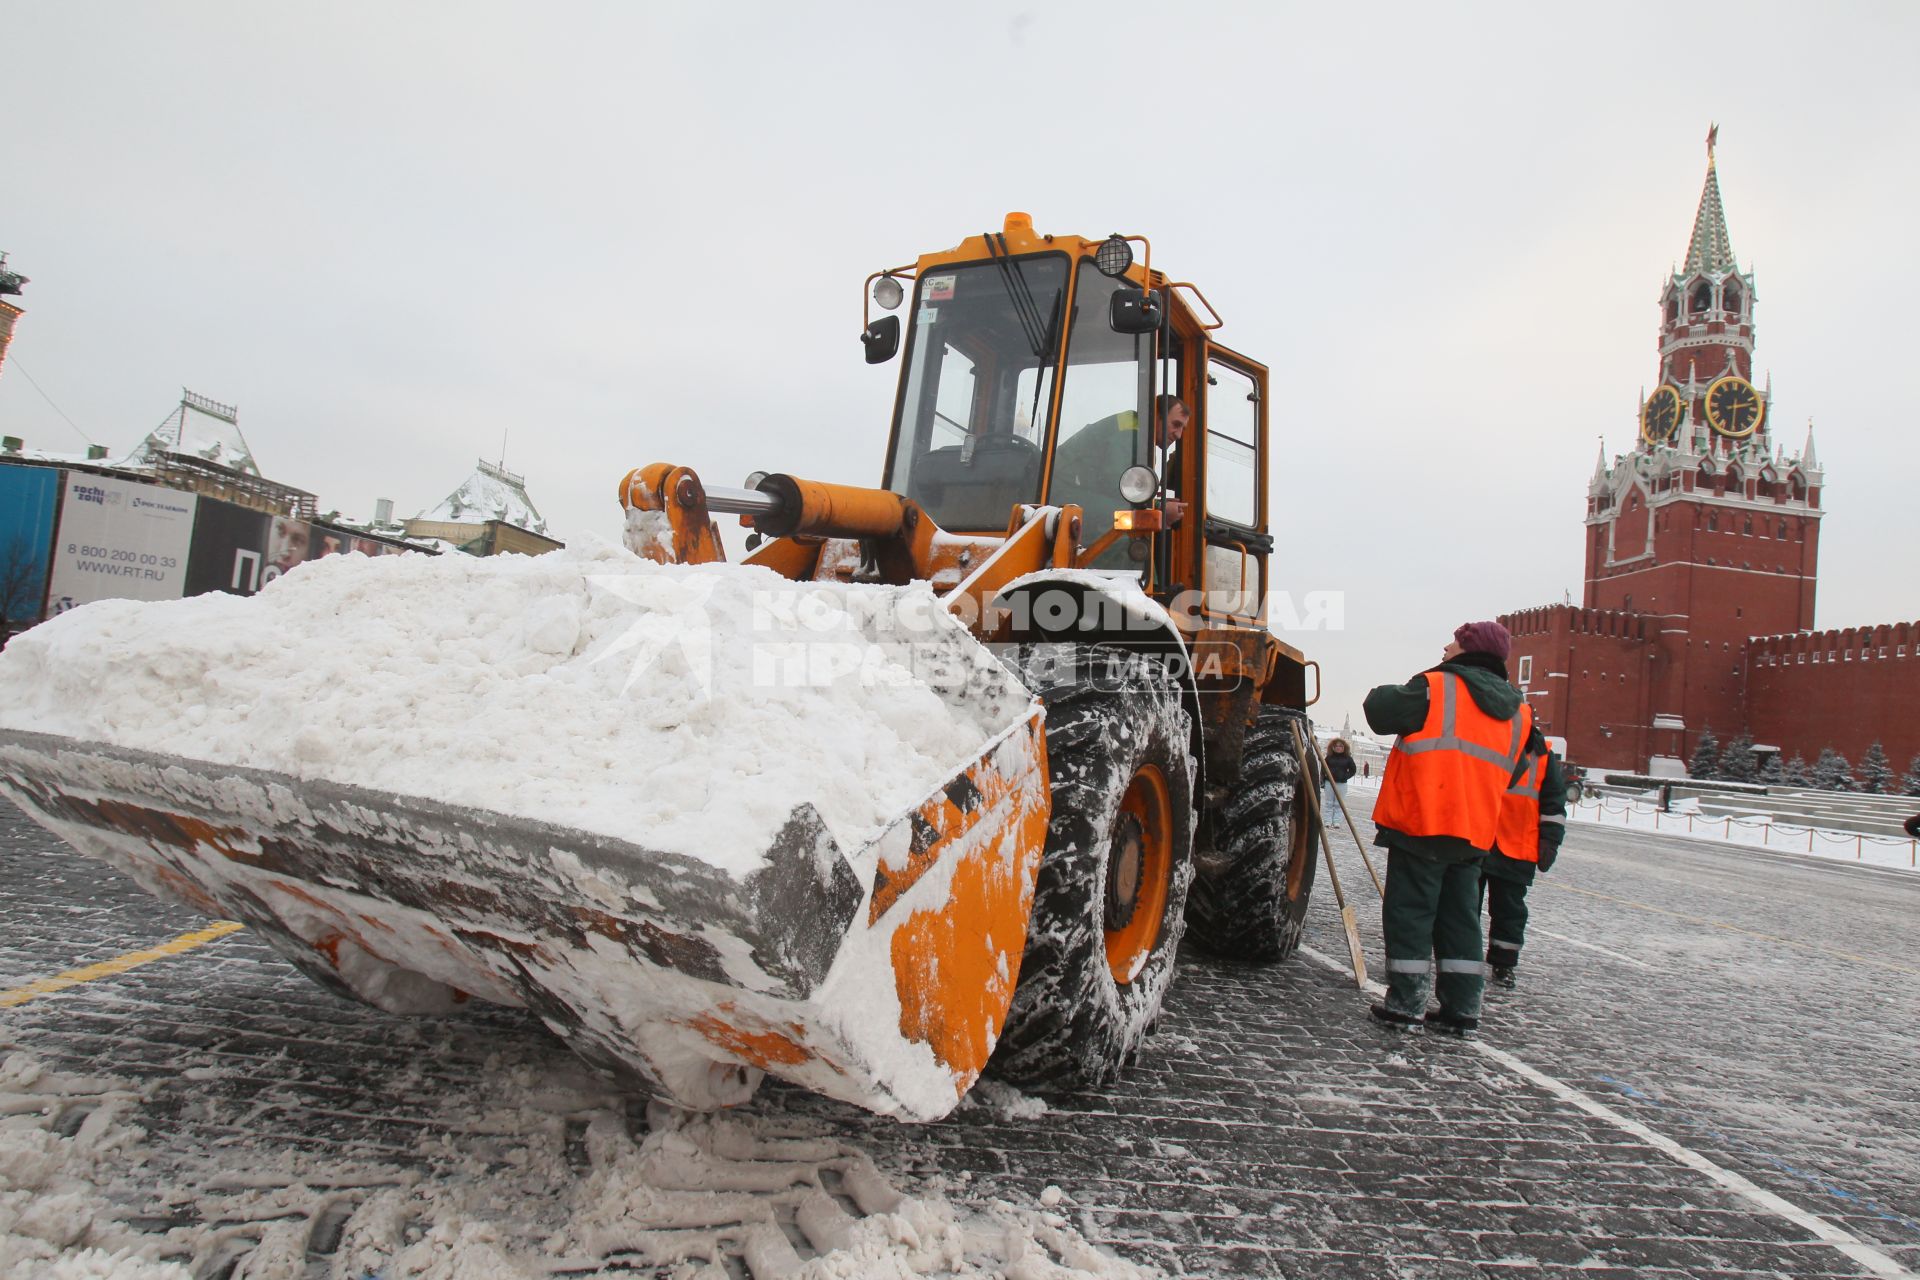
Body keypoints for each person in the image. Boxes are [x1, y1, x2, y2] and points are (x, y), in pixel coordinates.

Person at [1363, 621, 1532, 1037]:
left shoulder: (1436, 688)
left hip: (1425, 821)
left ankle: (1407, 1004)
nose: (1444, 646)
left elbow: (1378, 709)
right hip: (1475, 832)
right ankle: (1461, 1008)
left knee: (1411, 914)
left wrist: (1429, 677)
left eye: (1454, 642)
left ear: (1469, 650)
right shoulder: (1519, 712)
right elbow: (1516, 772)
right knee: (1461, 920)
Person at [1481, 729, 1568, 989]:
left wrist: (1550, 840)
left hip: (1515, 846)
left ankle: (1504, 963)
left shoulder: (1543, 756)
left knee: (1509, 911)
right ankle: (1461, 959)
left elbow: (1554, 803)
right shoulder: (1488, 741)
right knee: (1464, 907)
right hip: (1482, 840)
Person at [1322, 737, 1358, 827]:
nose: (1338, 747)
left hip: (1341, 784)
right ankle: (1327, 821)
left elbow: (1353, 770)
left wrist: (1345, 776)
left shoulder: (1348, 758)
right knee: (1329, 803)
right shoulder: (1329, 757)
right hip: (1329, 783)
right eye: (1336, 746)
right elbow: (1323, 769)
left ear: (1344, 748)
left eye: (1340, 746)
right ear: (1333, 747)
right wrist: (1323, 779)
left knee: (1339, 803)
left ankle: (1337, 821)